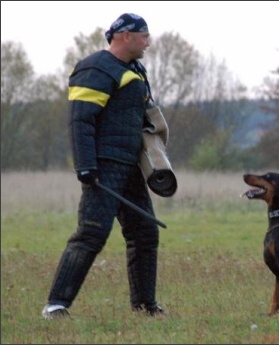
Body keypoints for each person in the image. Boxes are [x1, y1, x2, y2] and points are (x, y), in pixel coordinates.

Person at [42, 13, 166, 320]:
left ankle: (144, 307)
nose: (148, 42)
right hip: (103, 167)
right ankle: (56, 305)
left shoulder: (135, 70)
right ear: (125, 36)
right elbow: (80, 120)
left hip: (130, 166)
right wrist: (85, 166)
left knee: (145, 232)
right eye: (144, 36)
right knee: (92, 233)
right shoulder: (97, 68)